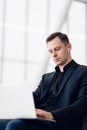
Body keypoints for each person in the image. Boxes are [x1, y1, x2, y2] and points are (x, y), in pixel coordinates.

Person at [5, 32, 87, 130]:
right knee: (3, 122)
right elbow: (34, 98)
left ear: (69, 46)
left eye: (57, 49)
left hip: (60, 122)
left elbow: (83, 103)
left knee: (14, 125)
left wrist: (51, 115)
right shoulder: (46, 78)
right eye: (50, 51)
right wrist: (11, 100)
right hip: (40, 120)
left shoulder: (83, 72)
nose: (54, 55)